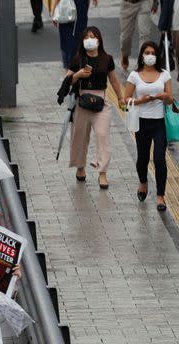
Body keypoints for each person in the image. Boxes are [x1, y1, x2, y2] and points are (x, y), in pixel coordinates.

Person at [67, 26, 126, 189]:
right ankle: (80, 167)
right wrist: (78, 75)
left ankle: (102, 173)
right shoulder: (78, 58)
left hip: (102, 100)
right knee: (79, 136)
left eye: (92, 37)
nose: (89, 40)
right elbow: (67, 80)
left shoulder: (107, 58)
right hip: (82, 101)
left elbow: (114, 80)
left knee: (102, 134)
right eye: (86, 37)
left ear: (99, 40)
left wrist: (120, 98)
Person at [124, 41, 172, 211]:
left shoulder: (164, 74)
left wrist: (163, 96)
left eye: (153, 52)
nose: (150, 55)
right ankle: (143, 182)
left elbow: (170, 99)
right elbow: (125, 99)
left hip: (159, 123)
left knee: (159, 158)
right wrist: (140, 101)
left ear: (157, 55)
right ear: (142, 56)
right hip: (142, 122)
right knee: (142, 158)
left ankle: (160, 196)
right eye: (147, 52)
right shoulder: (134, 75)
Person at [53, 0, 94, 68]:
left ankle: (69, 69)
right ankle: (75, 66)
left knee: (66, 39)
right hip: (79, 7)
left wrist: (54, 11)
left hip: (66, 8)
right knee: (78, 38)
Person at [120, 0, 157, 71]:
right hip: (127, 4)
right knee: (125, 36)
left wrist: (155, 2)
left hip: (144, 3)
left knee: (144, 34)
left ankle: (141, 63)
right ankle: (125, 54)